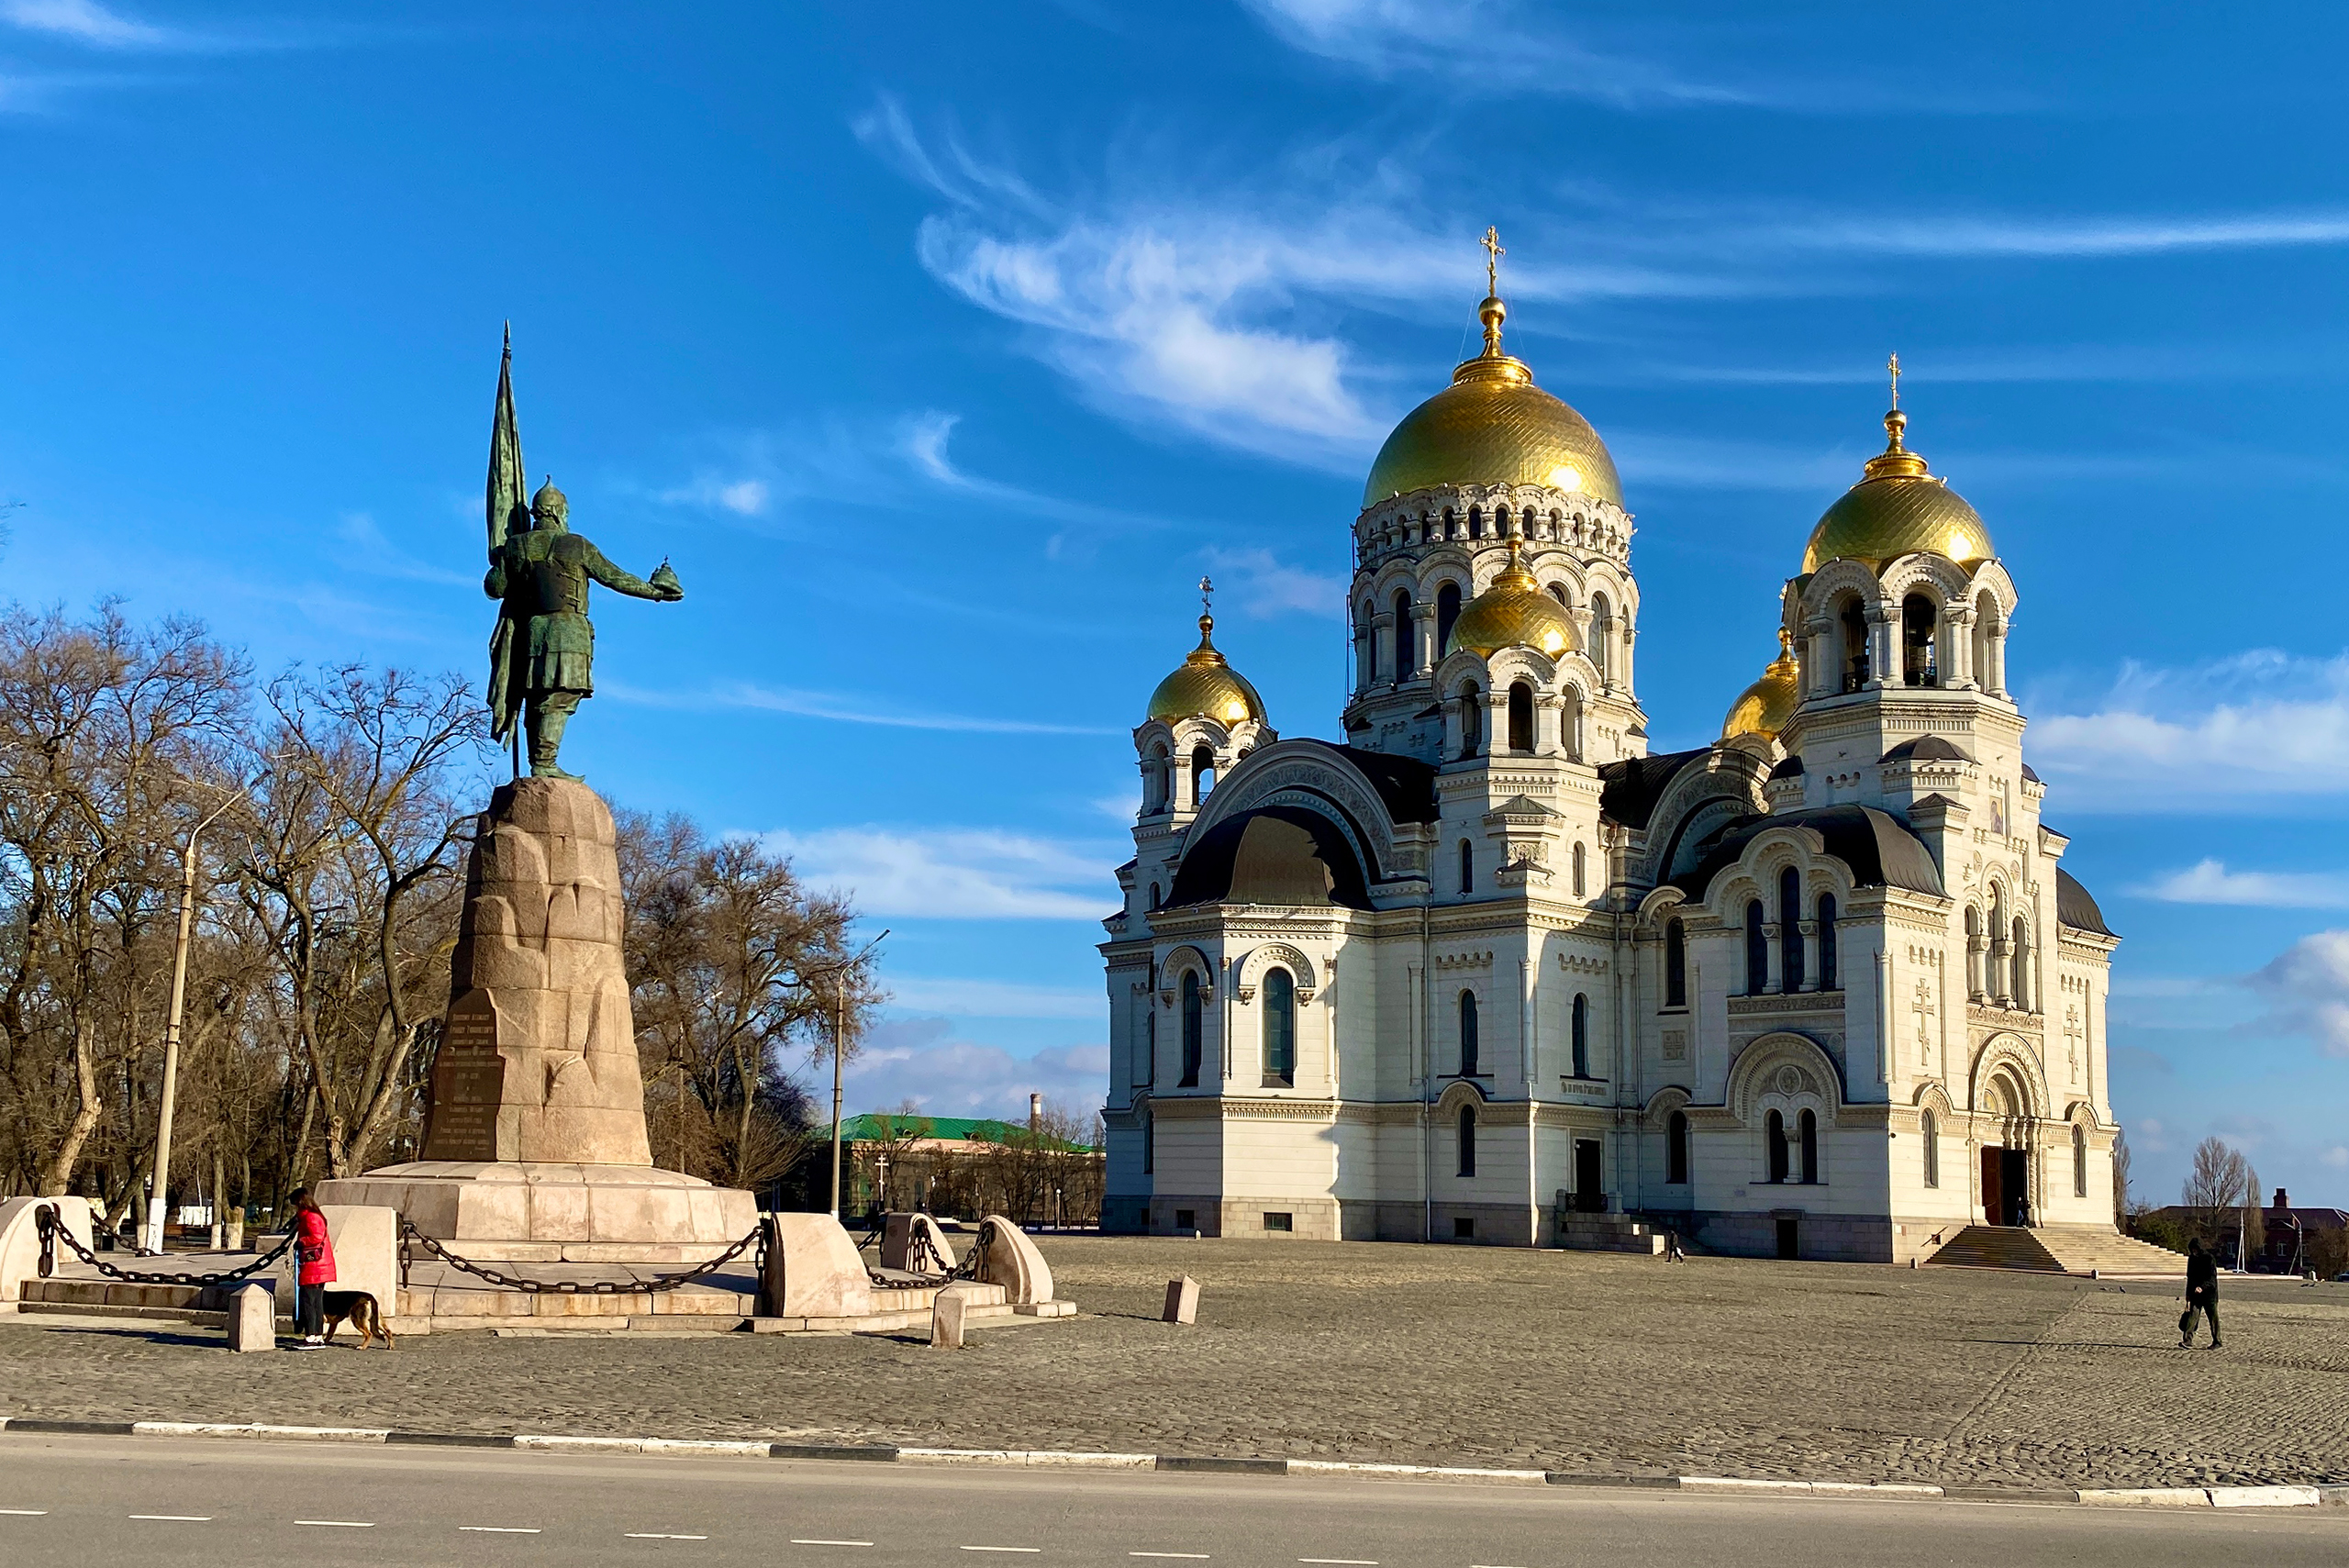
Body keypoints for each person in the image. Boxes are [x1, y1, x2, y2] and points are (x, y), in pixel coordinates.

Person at [287, 1189, 337, 1350]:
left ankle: (311, 1336)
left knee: (309, 1302)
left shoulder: (310, 1217)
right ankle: (317, 1335)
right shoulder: (315, 1216)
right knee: (316, 1302)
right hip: (320, 1265)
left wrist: (301, 1241)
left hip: (314, 1265)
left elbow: (316, 1237)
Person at [2182, 1237, 2221, 1350]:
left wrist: (2202, 1287)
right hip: (2196, 1294)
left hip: (2210, 1295)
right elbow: (2190, 1277)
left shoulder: (2209, 1258)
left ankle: (2217, 1341)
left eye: (2195, 1249)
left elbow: (2212, 1278)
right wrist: (2188, 1294)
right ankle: (2187, 1340)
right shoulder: (2192, 1259)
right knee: (2192, 1317)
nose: (2194, 1252)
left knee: (2213, 1318)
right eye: (2192, 1250)